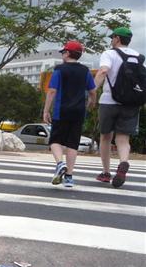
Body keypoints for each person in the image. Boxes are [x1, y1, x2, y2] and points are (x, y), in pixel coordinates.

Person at [93, 27, 142, 188]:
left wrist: (91, 91)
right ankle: (123, 162)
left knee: (105, 136)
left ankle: (106, 173)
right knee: (123, 138)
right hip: (131, 102)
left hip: (109, 101)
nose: (111, 40)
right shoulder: (139, 57)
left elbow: (103, 71)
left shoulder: (109, 54)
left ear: (117, 39)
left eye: (112, 37)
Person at [43, 40, 96, 187]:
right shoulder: (85, 71)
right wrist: (92, 101)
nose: (62, 55)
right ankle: (69, 177)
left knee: (55, 141)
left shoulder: (60, 69)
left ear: (67, 53)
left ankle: (60, 164)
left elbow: (52, 91)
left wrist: (46, 110)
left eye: (63, 52)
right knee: (73, 143)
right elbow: (92, 91)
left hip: (62, 110)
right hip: (79, 111)